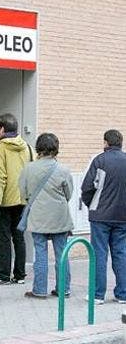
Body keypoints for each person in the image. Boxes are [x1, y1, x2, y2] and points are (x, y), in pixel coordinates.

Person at [19, 133, 73, 299]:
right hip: (60, 217)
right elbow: (68, 194)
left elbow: (23, 193)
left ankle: (40, 290)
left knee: (40, 253)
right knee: (61, 254)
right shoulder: (63, 169)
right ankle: (63, 289)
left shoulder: (29, 168)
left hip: (38, 217)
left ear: (38, 148)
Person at [0, 113, 34, 285]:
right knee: (19, 237)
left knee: (4, 238)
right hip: (23, 199)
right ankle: (20, 275)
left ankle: (3, 275)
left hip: (5, 200)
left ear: (2, 129)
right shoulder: (28, 148)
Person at [81, 129, 126, 304]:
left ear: (106, 143)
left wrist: (91, 205)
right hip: (122, 216)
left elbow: (87, 188)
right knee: (121, 253)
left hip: (100, 215)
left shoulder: (99, 160)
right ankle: (123, 293)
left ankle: (97, 294)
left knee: (99, 253)